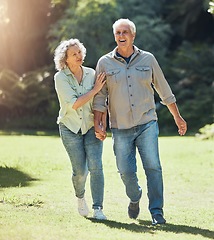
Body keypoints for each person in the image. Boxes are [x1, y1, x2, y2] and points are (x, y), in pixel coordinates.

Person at [93, 18, 187, 225]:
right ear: (114, 36)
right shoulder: (104, 63)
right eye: (118, 32)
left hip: (147, 123)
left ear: (133, 35)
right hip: (120, 127)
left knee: (153, 167)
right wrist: (98, 124)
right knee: (125, 171)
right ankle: (135, 197)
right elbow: (100, 97)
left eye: (125, 32)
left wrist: (177, 117)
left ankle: (156, 212)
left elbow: (164, 90)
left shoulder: (148, 59)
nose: (121, 36)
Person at [54, 38, 107, 220]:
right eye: (73, 54)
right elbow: (74, 104)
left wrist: (101, 124)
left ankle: (98, 207)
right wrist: (94, 90)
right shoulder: (60, 78)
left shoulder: (92, 74)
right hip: (70, 128)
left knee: (96, 167)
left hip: (91, 127)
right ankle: (80, 197)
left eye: (79, 52)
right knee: (80, 171)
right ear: (65, 59)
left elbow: (101, 101)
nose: (78, 56)